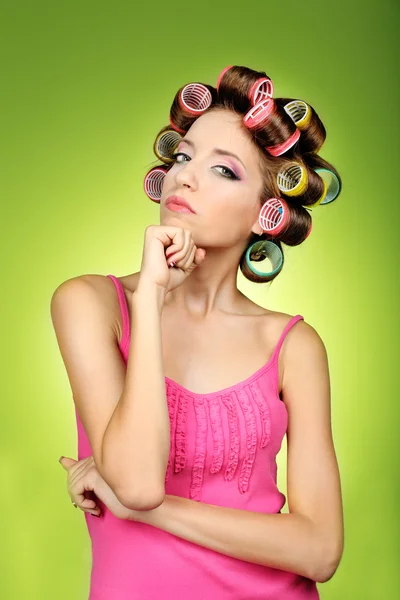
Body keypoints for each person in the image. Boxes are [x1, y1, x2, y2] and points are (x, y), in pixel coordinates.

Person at [52, 65, 344, 599]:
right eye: (183, 157)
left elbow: (320, 550)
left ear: (266, 212)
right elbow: (137, 481)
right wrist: (151, 300)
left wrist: (153, 511)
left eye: (224, 171)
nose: (185, 177)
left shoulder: (293, 348)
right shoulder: (93, 305)